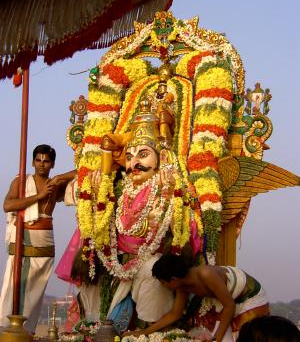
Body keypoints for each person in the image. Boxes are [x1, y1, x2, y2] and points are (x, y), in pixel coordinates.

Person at [66, 97, 204, 333]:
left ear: (159, 158)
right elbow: (95, 219)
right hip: (115, 258)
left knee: (153, 271)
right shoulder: (119, 187)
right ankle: (95, 327)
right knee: (92, 272)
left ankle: (150, 331)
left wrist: (171, 191)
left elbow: (180, 229)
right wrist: (100, 188)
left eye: (143, 154)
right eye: (129, 157)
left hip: (150, 259)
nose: (134, 163)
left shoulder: (168, 185)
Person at [0, 144, 76, 334]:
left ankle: (28, 331)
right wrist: (39, 196)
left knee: (35, 291)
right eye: (38, 160)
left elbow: (82, 171)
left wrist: (59, 177)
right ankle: (8, 329)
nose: (41, 164)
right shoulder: (21, 181)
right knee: (16, 285)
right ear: (33, 161)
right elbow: (8, 205)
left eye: (46, 161)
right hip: (23, 238)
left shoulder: (55, 185)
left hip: (45, 242)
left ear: (52, 164)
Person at [125, 253, 269, 342]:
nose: (163, 286)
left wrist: (216, 340)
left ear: (173, 279)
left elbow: (229, 306)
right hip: (227, 304)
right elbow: (174, 314)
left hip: (249, 297)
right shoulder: (182, 286)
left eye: (163, 282)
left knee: (246, 337)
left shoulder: (206, 274)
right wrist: (143, 332)